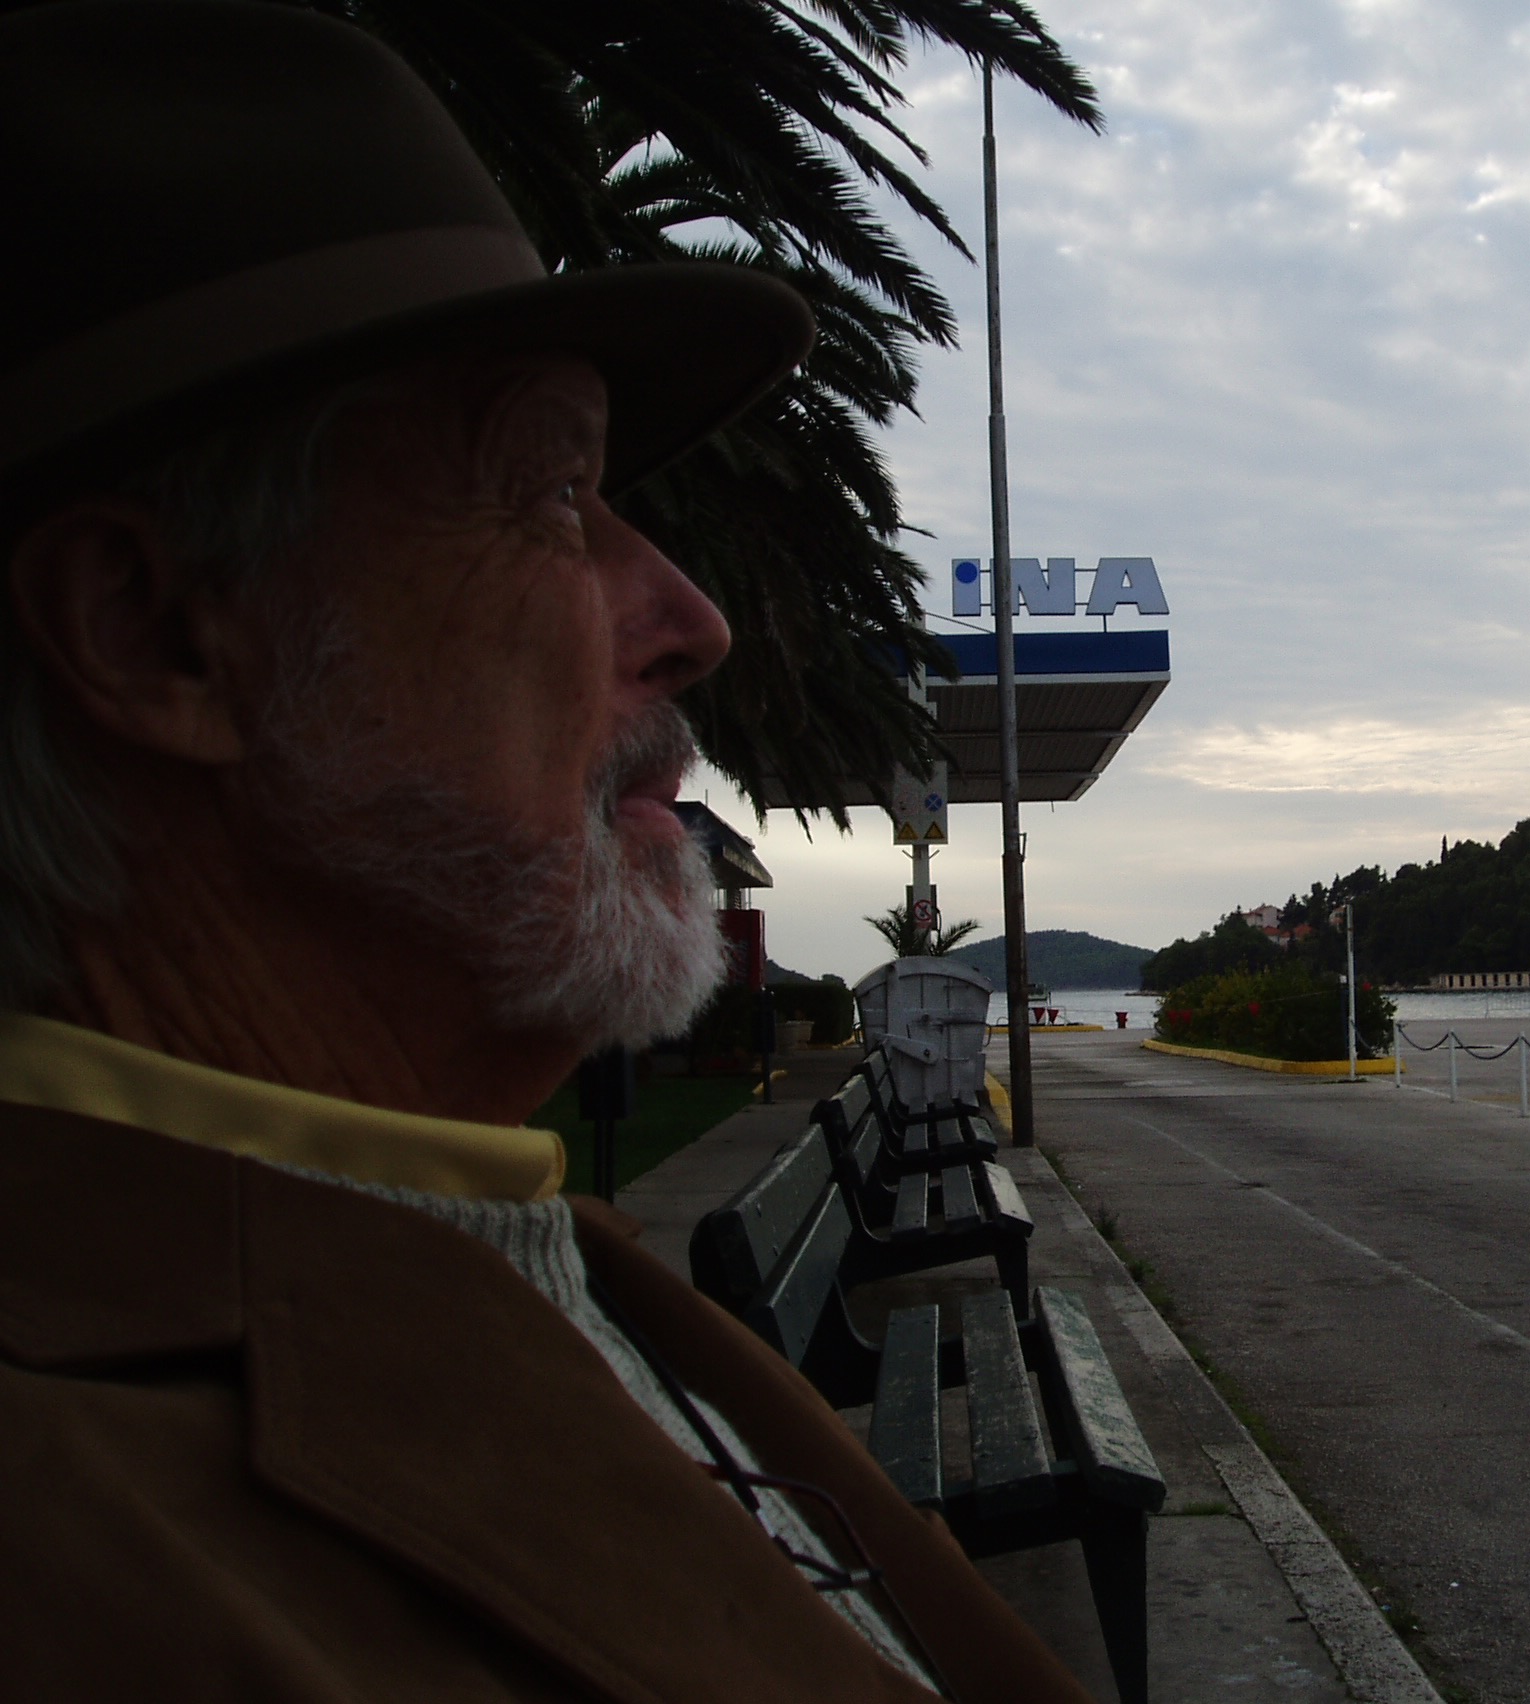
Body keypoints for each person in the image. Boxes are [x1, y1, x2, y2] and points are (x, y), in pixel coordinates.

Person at [0, 5, 1091, 1699]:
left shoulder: (491, 1240)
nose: (692, 618)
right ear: (158, 634)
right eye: (548, 494)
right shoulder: (86, 1542)